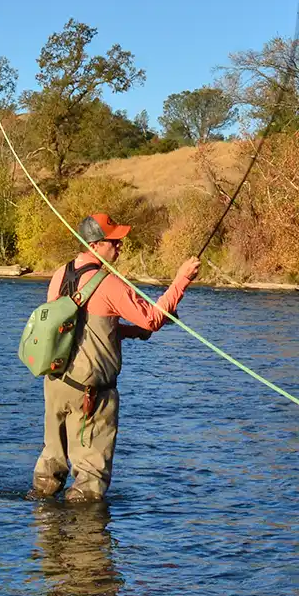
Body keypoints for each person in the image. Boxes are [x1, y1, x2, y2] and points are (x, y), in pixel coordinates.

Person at [32, 212, 199, 501]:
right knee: (90, 480)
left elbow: (75, 326)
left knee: (51, 464)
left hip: (56, 385)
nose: (120, 247)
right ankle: (85, 541)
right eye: (115, 242)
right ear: (96, 245)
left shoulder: (60, 274)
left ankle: (44, 528)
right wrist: (181, 280)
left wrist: (128, 333)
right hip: (91, 394)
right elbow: (152, 319)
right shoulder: (108, 283)